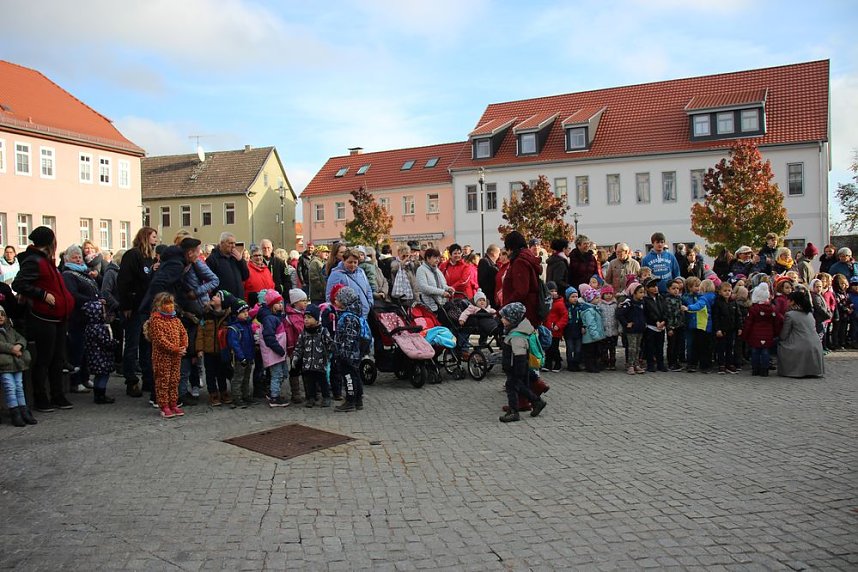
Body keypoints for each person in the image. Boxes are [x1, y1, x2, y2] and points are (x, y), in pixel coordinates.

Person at [117, 226, 158, 397]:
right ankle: (131, 380)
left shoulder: (150, 258)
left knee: (146, 345)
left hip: (146, 306)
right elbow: (124, 281)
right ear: (146, 237)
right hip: (134, 307)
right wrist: (126, 305)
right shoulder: (133, 255)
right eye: (154, 236)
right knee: (132, 344)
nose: (156, 239)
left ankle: (148, 380)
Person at [62, 244, 104, 393]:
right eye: (75, 257)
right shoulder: (68, 274)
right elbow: (73, 294)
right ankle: (76, 381)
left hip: (88, 317)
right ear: (68, 259)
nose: (78, 259)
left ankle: (85, 378)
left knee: (86, 350)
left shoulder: (84, 273)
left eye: (79, 257)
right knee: (77, 349)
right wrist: (91, 301)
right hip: (77, 317)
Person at [498, 302, 547, 423]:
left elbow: (519, 355)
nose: (502, 320)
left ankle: (514, 412)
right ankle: (536, 402)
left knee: (512, 386)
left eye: (504, 318)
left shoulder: (517, 336)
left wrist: (517, 371)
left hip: (515, 366)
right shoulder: (517, 329)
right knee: (517, 386)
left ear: (512, 319)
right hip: (515, 366)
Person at [147, 292, 187, 417]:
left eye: (171, 303)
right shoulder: (156, 321)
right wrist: (176, 349)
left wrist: (183, 346)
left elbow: (183, 333)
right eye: (166, 303)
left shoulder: (176, 320)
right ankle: (164, 405)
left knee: (174, 380)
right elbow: (160, 340)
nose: (170, 306)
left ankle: (173, 403)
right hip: (162, 357)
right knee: (163, 380)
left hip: (176, 356)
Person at [0, 305, 37, 426]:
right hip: (4, 364)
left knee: (19, 387)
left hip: (17, 363)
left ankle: (24, 410)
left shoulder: (10, 330)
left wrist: (19, 345)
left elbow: (21, 338)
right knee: (10, 387)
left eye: (2, 314)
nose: (0, 317)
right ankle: (14, 412)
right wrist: (12, 349)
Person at [292, 303, 334, 408]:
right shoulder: (303, 333)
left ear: (316, 319)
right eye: (305, 317)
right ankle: (311, 398)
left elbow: (330, 344)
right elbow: (299, 347)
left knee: (323, 381)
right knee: (309, 382)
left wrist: (330, 355)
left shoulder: (323, 331)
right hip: (307, 363)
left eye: (309, 318)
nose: (306, 320)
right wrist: (296, 357)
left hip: (320, 363)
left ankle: (326, 397)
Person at [195, 291, 232, 406]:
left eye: (217, 296)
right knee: (210, 373)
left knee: (222, 372)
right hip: (209, 350)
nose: (213, 297)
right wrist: (199, 349)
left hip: (222, 350)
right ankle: (213, 393)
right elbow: (200, 333)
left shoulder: (227, 315)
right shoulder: (206, 314)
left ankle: (223, 391)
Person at [777, 289, 824, 378]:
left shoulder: (790, 315)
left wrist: (780, 339)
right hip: (816, 344)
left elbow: (784, 334)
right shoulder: (809, 313)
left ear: (792, 301)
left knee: (781, 345)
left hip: (799, 344)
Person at [332, 286, 365, 413]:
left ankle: (350, 400)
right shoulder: (352, 315)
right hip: (353, 353)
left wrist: (342, 352)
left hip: (348, 354)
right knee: (355, 375)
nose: (335, 301)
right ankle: (358, 400)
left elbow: (349, 337)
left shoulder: (348, 317)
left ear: (345, 301)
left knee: (349, 377)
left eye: (338, 299)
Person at [502, 231, 543, 327]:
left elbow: (521, 291)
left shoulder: (520, 262)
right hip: (529, 309)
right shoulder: (527, 258)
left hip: (520, 313)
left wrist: (504, 308)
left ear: (510, 247)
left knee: (519, 340)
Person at [82, 300, 118, 404]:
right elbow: (105, 342)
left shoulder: (89, 327)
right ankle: (101, 395)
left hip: (94, 356)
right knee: (103, 375)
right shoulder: (100, 328)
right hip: (102, 357)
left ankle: (97, 395)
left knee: (98, 376)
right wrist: (114, 343)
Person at [742, 283, 781, 377]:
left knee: (755, 351)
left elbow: (748, 323)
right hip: (768, 334)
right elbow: (777, 322)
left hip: (755, 334)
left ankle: (755, 369)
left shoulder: (753, 309)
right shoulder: (772, 309)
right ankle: (765, 370)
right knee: (765, 352)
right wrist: (776, 333)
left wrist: (744, 335)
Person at [326, 249, 373, 318]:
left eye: (355, 262)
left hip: (364, 314)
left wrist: (370, 302)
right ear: (343, 260)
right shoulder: (336, 274)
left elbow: (368, 288)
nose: (353, 265)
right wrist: (336, 311)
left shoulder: (361, 272)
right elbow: (330, 295)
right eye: (350, 262)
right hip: (347, 316)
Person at [683, 278, 717, 374]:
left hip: (702, 325)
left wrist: (687, 308)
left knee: (699, 346)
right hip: (711, 325)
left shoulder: (704, 298)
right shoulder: (715, 297)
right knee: (707, 347)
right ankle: (707, 365)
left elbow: (698, 306)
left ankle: (700, 365)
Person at [226, 299, 255, 407]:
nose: (246, 314)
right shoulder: (234, 328)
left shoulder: (247, 325)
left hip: (249, 356)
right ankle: (237, 397)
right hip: (240, 358)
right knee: (238, 378)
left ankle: (245, 395)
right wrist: (241, 357)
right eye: (243, 312)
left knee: (247, 377)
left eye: (247, 311)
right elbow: (235, 345)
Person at [206, 232, 250, 300]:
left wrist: (241, 261)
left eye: (234, 243)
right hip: (223, 301)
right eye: (230, 243)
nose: (233, 246)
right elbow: (208, 281)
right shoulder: (212, 259)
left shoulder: (235, 258)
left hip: (238, 300)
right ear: (221, 243)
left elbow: (245, 276)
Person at [712, 281, 742, 374]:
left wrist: (739, 327)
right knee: (721, 347)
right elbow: (715, 317)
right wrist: (717, 329)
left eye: (729, 290)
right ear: (720, 292)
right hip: (722, 329)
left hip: (732, 329)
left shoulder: (734, 303)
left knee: (730, 347)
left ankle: (729, 364)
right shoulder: (717, 303)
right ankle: (721, 364)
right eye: (725, 290)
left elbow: (738, 316)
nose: (727, 292)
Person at [617, 283, 646, 375]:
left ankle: (636, 364)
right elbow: (620, 314)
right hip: (631, 330)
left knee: (638, 348)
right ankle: (630, 365)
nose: (642, 294)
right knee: (632, 348)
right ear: (634, 293)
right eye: (640, 292)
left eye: (643, 292)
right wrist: (626, 324)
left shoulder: (642, 303)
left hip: (640, 329)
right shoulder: (628, 303)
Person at [641, 277, 667, 372]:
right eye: (652, 286)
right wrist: (655, 321)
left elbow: (664, 310)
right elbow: (648, 313)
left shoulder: (661, 298)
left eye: (656, 286)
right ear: (647, 288)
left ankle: (660, 364)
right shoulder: (645, 300)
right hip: (651, 327)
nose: (655, 288)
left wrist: (664, 321)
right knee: (650, 347)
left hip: (661, 326)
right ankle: (650, 364)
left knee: (660, 346)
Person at [663, 279, 685, 371]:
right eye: (673, 288)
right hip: (672, 326)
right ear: (668, 289)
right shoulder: (667, 300)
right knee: (671, 344)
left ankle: (676, 361)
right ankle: (671, 363)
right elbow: (668, 315)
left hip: (679, 325)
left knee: (678, 344)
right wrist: (669, 328)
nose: (676, 290)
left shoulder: (679, 298)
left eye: (677, 288)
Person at [598, 285, 619, 370]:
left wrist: (619, 329)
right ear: (602, 295)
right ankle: (605, 362)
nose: (608, 295)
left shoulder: (615, 304)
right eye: (606, 294)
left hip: (614, 330)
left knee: (613, 348)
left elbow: (618, 318)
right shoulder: (600, 305)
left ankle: (613, 363)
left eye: (610, 293)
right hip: (604, 331)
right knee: (604, 348)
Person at [563, 287, 583, 371]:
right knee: (570, 349)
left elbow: (582, 318)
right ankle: (570, 364)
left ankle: (576, 363)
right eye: (572, 297)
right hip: (569, 332)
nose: (575, 298)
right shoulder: (566, 307)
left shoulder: (580, 307)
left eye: (576, 296)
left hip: (578, 331)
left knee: (578, 349)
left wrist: (583, 326)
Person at [477, 244, 500, 310]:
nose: (499, 256)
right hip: (489, 294)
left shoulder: (491, 262)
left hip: (491, 293)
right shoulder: (484, 261)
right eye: (498, 253)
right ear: (493, 253)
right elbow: (482, 279)